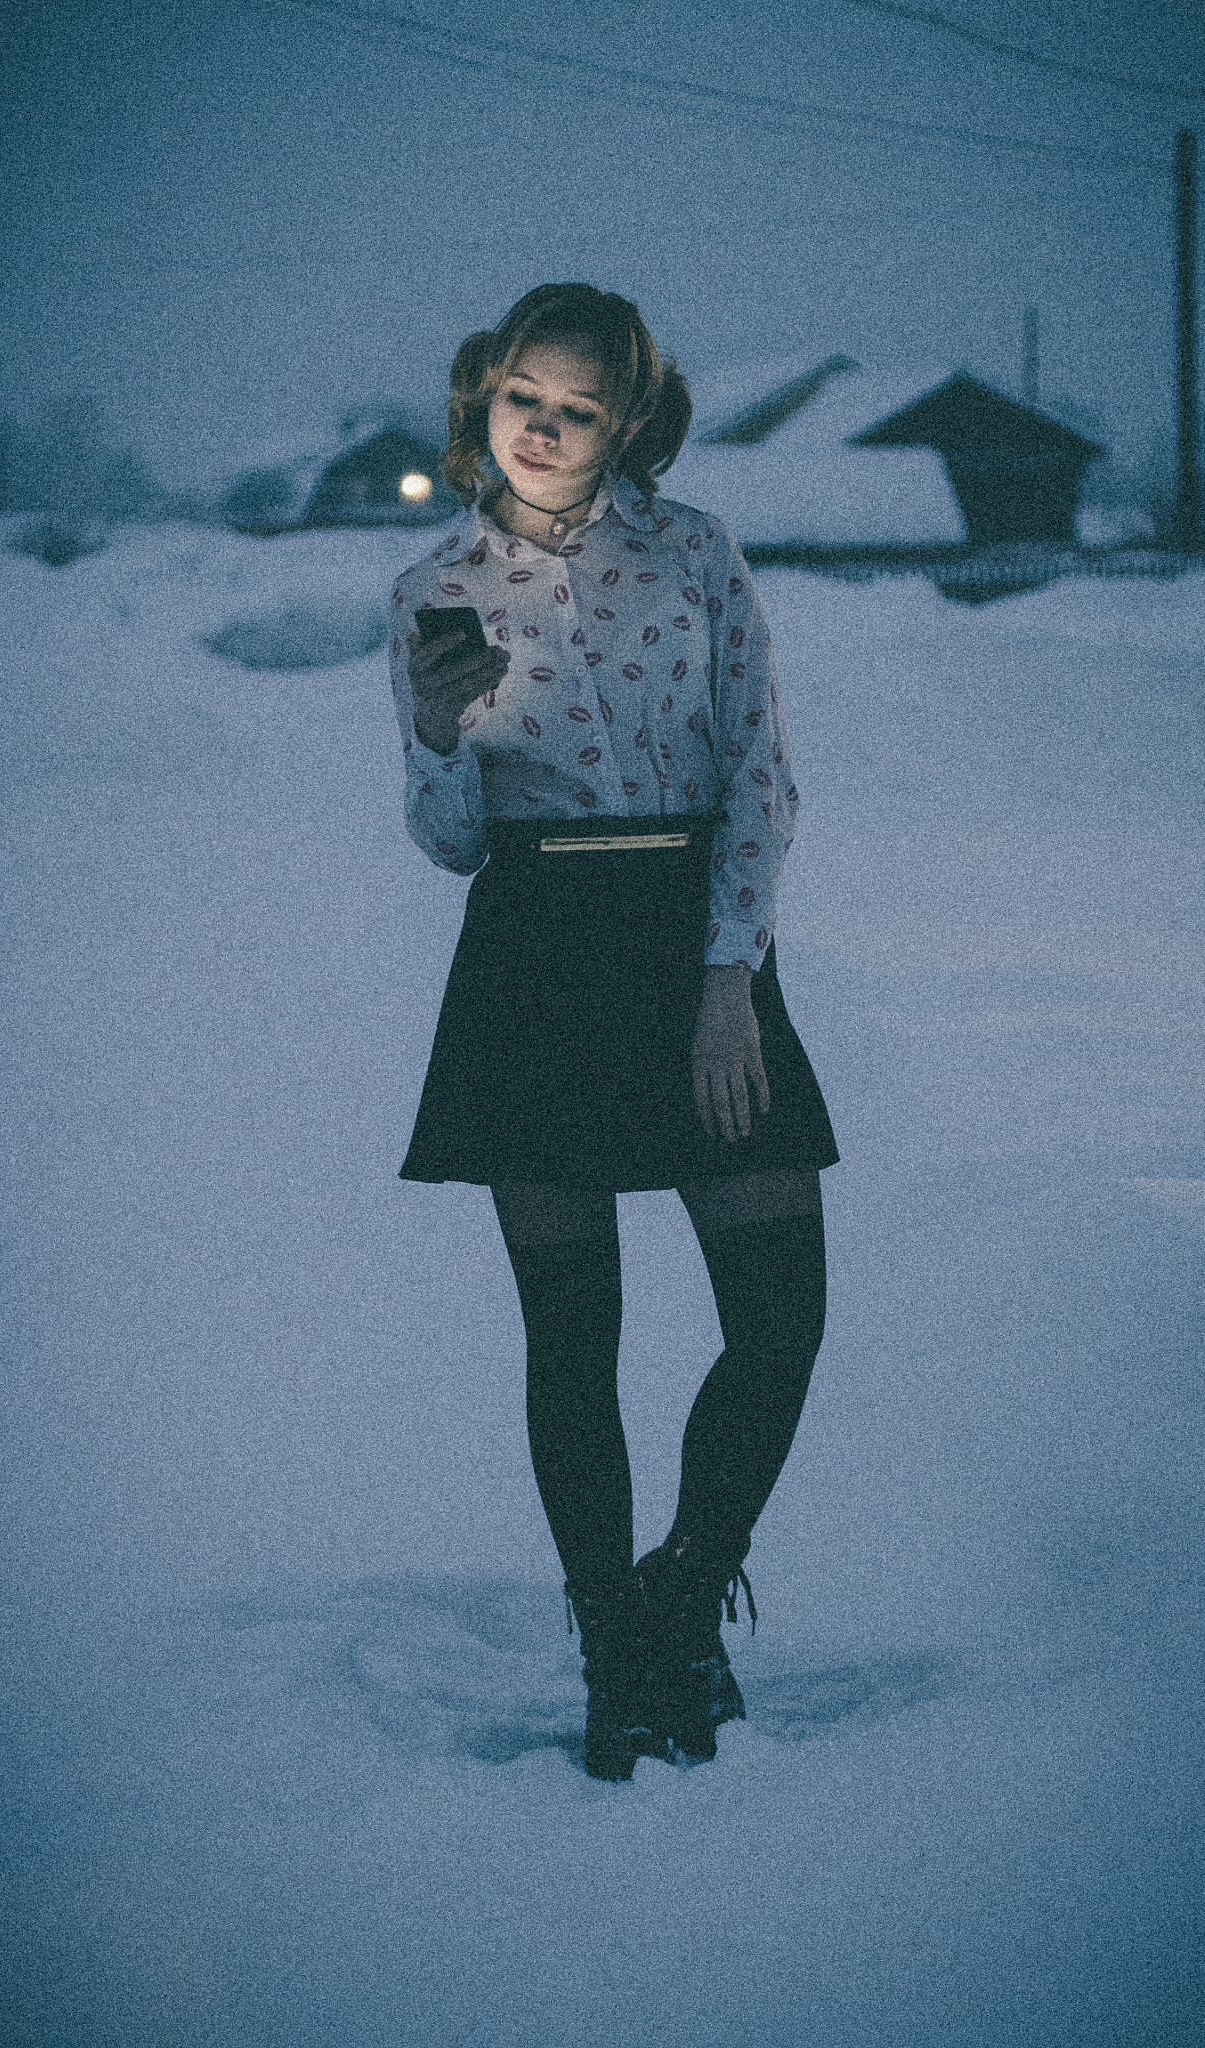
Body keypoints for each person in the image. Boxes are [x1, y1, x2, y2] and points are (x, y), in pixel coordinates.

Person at [390, 283, 838, 1780]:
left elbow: (761, 780)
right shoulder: (434, 587)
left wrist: (730, 984)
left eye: (578, 407)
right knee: (572, 1342)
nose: (542, 425)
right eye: (524, 391)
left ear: (629, 422)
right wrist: (444, 733)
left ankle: (677, 1596)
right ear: (486, 393)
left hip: (694, 946)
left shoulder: (695, 550)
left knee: (777, 1316)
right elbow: (448, 837)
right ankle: (613, 1649)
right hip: (532, 955)